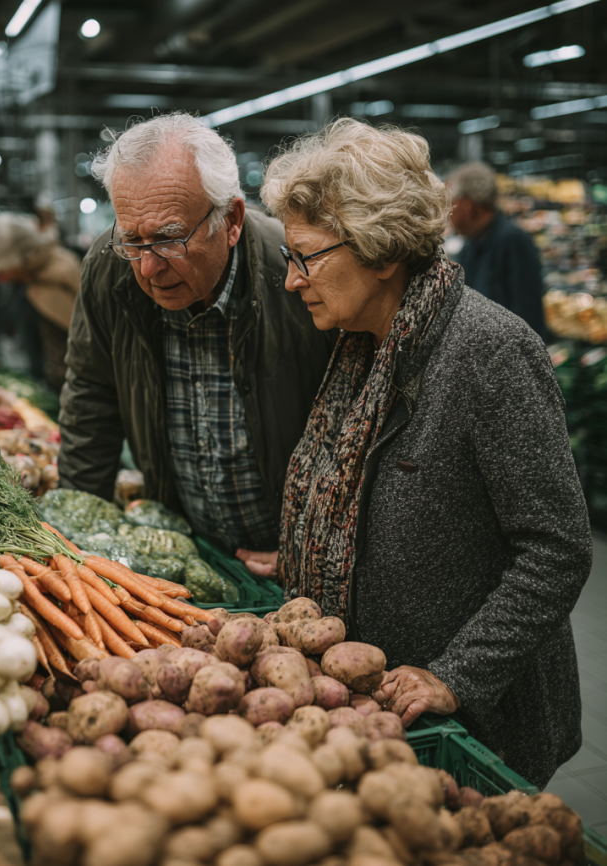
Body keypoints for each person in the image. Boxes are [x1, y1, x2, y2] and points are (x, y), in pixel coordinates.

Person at [253, 118, 590, 788]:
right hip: (384, 708)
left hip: (479, 722)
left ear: (381, 252)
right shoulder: (361, 348)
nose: (292, 281)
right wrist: (300, 552)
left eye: (306, 257)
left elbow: (558, 549)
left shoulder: (488, 351)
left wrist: (456, 674)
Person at [58, 112, 336, 554]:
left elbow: (352, 425)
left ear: (231, 221)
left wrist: (314, 549)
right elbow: (92, 395)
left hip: (292, 549)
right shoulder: (109, 268)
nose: (148, 268)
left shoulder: (297, 274)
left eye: (169, 238)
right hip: (183, 543)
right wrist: (74, 532)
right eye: (132, 240)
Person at [0, 213, 81, 391]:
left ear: (21, 258)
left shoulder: (54, 279)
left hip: (69, 388)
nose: (1, 279)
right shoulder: (33, 278)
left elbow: (71, 345)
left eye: (2, 271)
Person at [448, 161, 548, 340]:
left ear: (467, 205)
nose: (448, 213)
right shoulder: (471, 245)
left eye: (451, 204)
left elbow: (527, 317)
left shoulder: (513, 242)